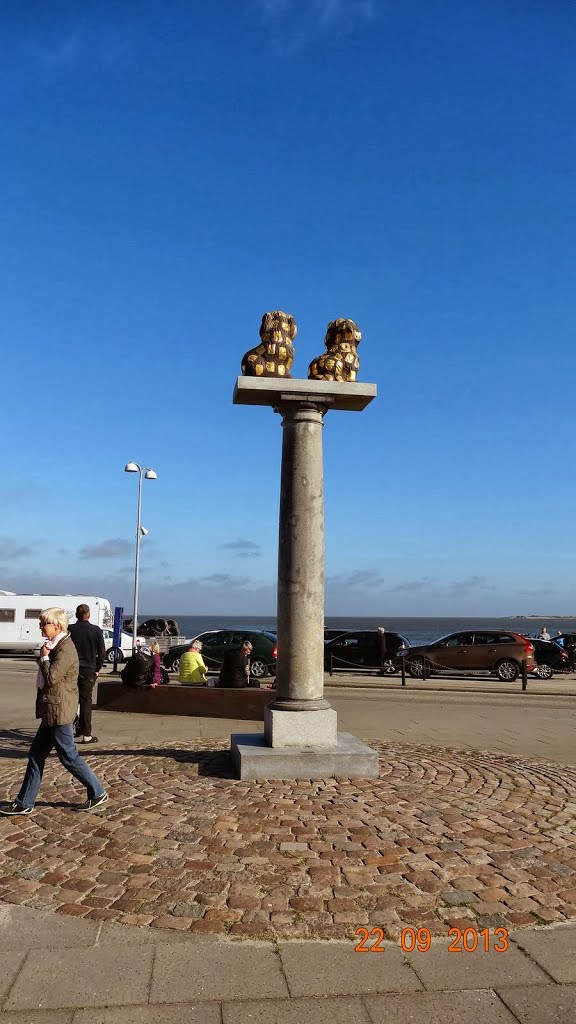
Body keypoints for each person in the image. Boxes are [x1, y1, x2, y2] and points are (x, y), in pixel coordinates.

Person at [0, 608, 108, 816]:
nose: (41, 627)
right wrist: (45, 657)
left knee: (68, 756)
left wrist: (44, 659)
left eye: (44, 624)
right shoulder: (55, 645)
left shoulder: (65, 649)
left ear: (57, 626)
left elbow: (51, 679)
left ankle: (97, 792)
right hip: (52, 710)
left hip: (59, 711)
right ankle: (24, 802)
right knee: (36, 755)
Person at [68, 603, 106, 745]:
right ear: (88, 614)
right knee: (86, 702)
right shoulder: (96, 631)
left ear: (77, 615)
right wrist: (98, 668)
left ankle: (71, 729)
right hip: (88, 670)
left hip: (72, 669)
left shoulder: (70, 629)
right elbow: (102, 652)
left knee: (71, 700)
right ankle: (86, 734)